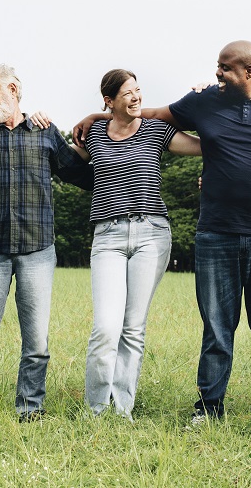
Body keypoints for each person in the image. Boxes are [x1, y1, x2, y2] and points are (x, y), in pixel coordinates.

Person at [75, 41, 251, 423]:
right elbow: (150, 113)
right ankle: (209, 409)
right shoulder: (204, 101)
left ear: (249, 71)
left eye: (224, 68)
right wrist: (99, 113)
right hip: (215, 233)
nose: (217, 73)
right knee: (217, 329)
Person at [0, 64, 93, 422]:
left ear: (13, 90)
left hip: (37, 251)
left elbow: (81, 174)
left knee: (36, 342)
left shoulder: (46, 134)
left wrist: (101, 138)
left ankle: (30, 409)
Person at [70, 69, 202, 420]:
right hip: (108, 237)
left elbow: (205, 146)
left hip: (151, 233)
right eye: (127, 92)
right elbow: (64, 161)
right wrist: (91, 117)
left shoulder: (157, 130)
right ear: (109, 101)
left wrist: (207, 102)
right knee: (105, 328)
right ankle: (96, 409)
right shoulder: (94, 133)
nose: (136, 96)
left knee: (133, 327)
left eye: (138, 90)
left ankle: (122, 409)